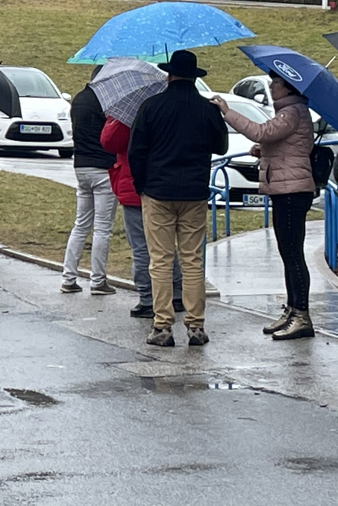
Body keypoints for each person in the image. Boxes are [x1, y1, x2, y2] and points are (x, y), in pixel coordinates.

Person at [129, 50, 228, 348]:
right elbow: (221, 146)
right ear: (194, 76)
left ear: (169, 74)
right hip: (195, 194)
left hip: (158, 192)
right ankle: (196, 327)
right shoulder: (206, 109)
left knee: (160, 260)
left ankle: (162, 327)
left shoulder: (151, 106)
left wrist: (142, 185)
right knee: (192, 261)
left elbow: (136, 151)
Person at [213, 73, 317, 340]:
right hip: (284, 188)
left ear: (288, 87)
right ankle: (293, 310)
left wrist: (228, 111)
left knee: (293, 254)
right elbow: (281, 143)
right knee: (288, 253)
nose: (271, 87)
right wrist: (264, 150)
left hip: (292, 191)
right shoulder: (289, 112)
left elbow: (262, 131)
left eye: (276, 83)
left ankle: (302, 315)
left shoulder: (293, 112)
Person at [102, 116, 184, 319]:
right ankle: (176, 294)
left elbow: (109, 141)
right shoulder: (163, 112)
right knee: (166, 244)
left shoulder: (127, 116)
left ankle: (147, 298)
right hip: (164, 184)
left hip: (134, 187)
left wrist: (112, 119)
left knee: (141, 246)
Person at [60, 74, 120, 295]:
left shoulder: (79, 99)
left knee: (81, 224)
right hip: (103, 168)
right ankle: (98, 281)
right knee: (103, 228)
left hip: (81, 166)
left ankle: (68, 278)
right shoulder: (107, 101)